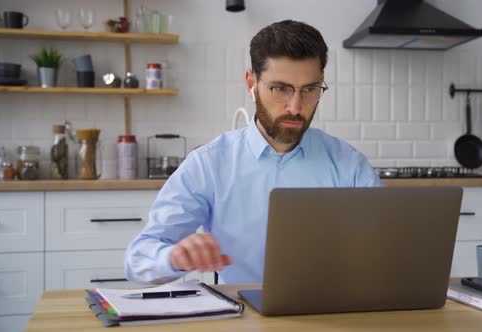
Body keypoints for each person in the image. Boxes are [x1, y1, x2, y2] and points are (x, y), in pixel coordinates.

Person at [124, 20, 384, 285]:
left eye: (309, 90)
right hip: (243, 318)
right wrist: (174, 257)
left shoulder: (348, 164)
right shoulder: (210, 164)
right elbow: (137, 259)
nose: (295, 106)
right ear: (251, 82)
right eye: (280, 89)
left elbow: (385, 247)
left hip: (332, 315)